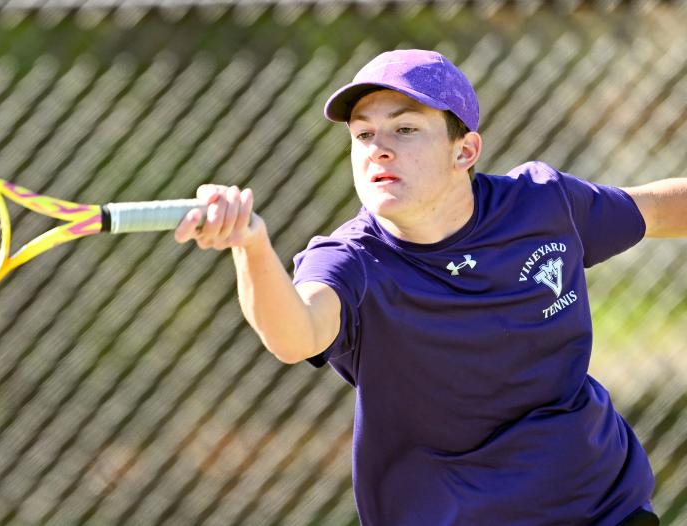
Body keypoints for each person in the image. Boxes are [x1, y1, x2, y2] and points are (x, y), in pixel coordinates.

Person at [173, 49, 687, 525]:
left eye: (405, 129)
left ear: (464, 151)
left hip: (604, 508)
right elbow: (296, 335)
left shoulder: (544, 205)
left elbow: (664, 209)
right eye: (364, 135)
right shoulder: (351, 261)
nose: (379, 150)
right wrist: (252, 246)